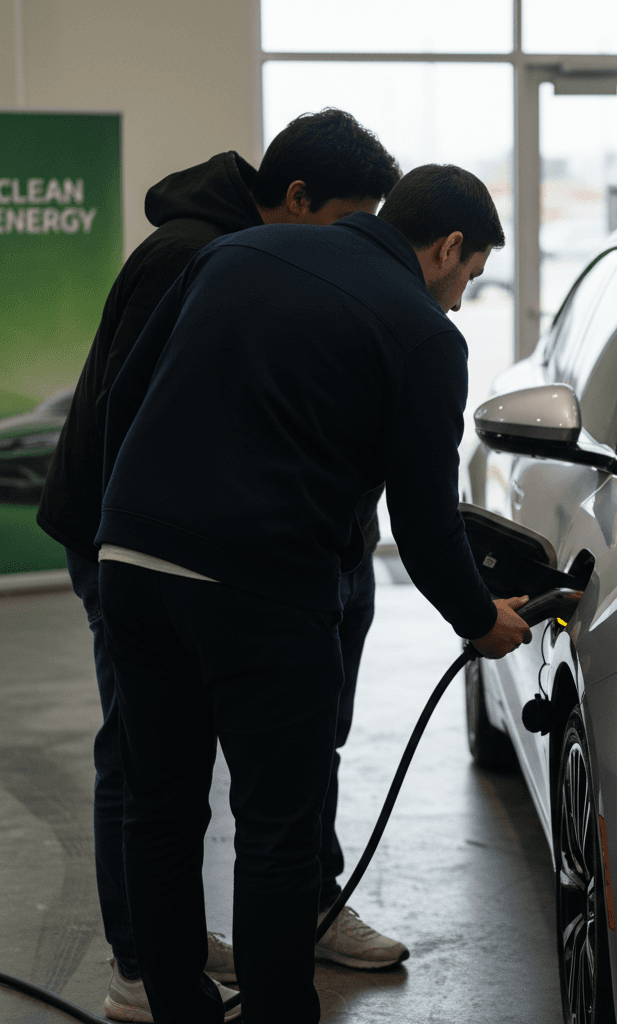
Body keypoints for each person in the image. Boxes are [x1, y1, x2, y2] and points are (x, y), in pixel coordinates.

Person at [94, 163, 531, 1024]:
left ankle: (179, 1006)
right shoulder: (423, 334)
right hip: (262, 592)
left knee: (161, 805)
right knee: (276, 827)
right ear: (447, 247)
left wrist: (127, 523)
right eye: (469, 277)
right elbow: (423, 516)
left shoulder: (237, 254)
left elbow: (123, 395)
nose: (457, 300)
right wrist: (480, 619)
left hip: (134, 566)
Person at [35, 108, 406, 1021]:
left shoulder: (257, 254)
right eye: (346, 221)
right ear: (293, 197)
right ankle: (137, 965)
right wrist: (139, 546)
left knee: (267, 764)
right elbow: (134, 413)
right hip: (132, 547)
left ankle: (262, 920)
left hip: (216, 551)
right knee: (146, 764)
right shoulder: (195, 256)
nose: (354, 249)